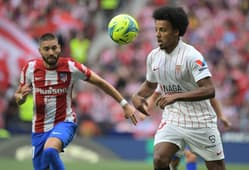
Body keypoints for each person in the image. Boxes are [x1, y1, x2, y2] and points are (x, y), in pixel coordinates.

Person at [14, 33, 140, 170]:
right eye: (46, 49)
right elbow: (19, 95)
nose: (51, 52)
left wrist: (124, 104)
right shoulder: (30, 68)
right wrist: (21, 98)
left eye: (54, 48)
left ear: (60, 48)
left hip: (64, 123)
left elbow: (101, 83)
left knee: (50, 150)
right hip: (39, 128)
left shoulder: (70, 66)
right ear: (40, 51)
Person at [131, 6, 226, 170]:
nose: (157, 35)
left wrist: (176, 96)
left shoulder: (192, 56)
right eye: (156, 30)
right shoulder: (153, 57)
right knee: (160, 159)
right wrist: (137, 96)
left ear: (176, 31)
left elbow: (209, 90)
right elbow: (150, 84)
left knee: (216, 167)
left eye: (163, 30)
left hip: (200, 121)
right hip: (173, 119)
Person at [147, 86, 232, 170]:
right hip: (175, 124)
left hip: (197, 124)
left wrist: (221, 115)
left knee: (191, 156)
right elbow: (155, 95)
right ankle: (174, 167)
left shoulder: (195, 78)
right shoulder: (164, 78)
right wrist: (144, 110)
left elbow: (211, 96)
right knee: (172, 160)